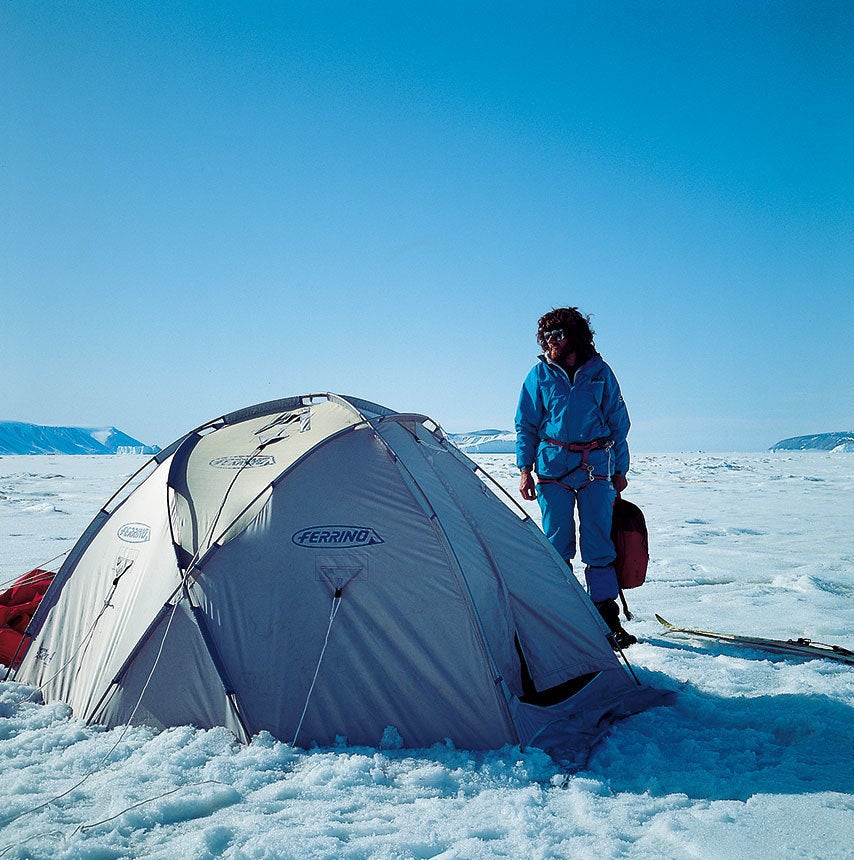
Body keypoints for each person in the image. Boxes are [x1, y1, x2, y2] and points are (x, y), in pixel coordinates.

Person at [515, 306, 636, 649]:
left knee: (599, 543)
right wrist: (524, 470)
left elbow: (618, 423)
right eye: (546, 336)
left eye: (558, 335)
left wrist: (620, 471)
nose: (551, 342)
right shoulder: (539, 375)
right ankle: (565, 615)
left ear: (576, 336)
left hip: (596, 468)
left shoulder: (600, 372)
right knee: (557, 543)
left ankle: (606, 617)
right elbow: (526, 425)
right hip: (552, 469)